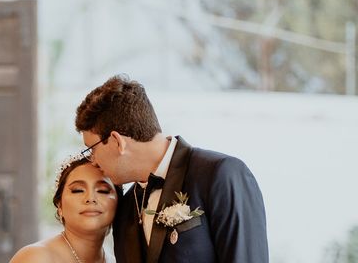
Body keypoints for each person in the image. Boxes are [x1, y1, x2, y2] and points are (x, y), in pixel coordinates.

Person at [75, 75, 269, 263]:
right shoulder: (125, 206)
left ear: (118, 142)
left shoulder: (221, 175)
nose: (92, 160)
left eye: (91, 149)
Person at [10, 156, 120, 263]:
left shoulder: (117, 260)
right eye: (78, 190)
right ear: (60, 206)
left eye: (103, 190)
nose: (91, 198)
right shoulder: (36, 257)